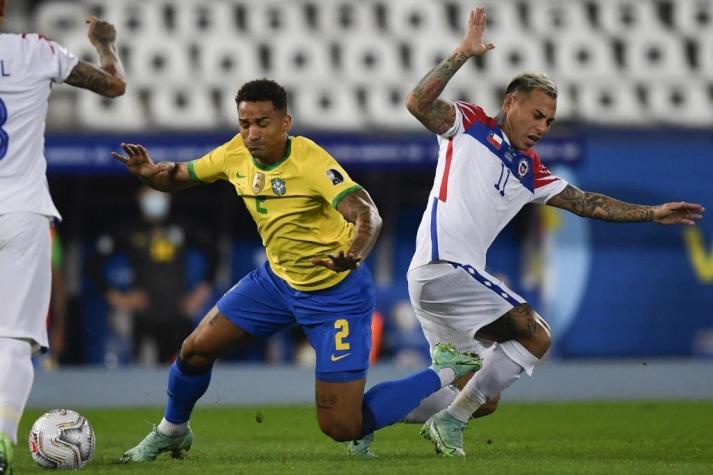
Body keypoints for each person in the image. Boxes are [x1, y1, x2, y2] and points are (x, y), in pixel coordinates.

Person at [114, 79, 482, 462]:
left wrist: (353, 253)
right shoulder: (234, 154)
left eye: (262, 123)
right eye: (244, 124)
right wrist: (149, 173)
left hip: (336, 292)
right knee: (194, 351)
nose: (252, 133)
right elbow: (179, 175)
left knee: (341, 425)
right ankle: (172, 431)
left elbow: (366, 213)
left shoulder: (309, 160)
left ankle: (445, 369)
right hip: (275, 284)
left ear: (285, 122)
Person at [396, 6, 703, 457]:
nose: (542, 127)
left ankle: (371, 416)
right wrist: (462, 52)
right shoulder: (470, 125)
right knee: (535, 334)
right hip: (444, 268)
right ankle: (450, 424)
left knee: (483, 398)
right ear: (511, 103)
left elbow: (585, 203)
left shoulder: (530, 171)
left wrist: (651, 213)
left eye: (549, 121)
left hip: (442, 280)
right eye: (536, 115)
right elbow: (418, 103)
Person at [0, 0, 126, 471]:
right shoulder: (37, 50)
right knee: (12, 338)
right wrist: (105, 45)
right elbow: (114, 86)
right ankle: (1, 440)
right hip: (22, 211)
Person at [94, 186, 217, 364]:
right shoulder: (129, 229)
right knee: (146, 371)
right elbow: (93, 265)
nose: (156, 197)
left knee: (191, 365)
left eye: (159, 190)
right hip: (144, 315)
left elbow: (213, 253)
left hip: (179, 312)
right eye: (149, 192)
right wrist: (117, 297)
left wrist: (203, 289)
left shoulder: (182, 226)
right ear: (139, 196)